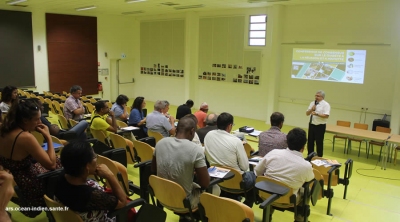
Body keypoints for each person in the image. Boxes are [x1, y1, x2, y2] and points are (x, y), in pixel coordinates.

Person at [0, 100, 61, 217]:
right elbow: (51, 165)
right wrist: (48, 137)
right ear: (25, 120)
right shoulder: (25, 137)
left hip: (12, 179)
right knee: (60, 163)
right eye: (37, 119)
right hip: (30, 184)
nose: (39, 122)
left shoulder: (3, 129)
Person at [55, 141, 127, 221]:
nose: (96, 158)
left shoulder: (61, 177)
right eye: (95, 156)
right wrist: (110, 175)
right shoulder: (90, 195)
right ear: (87, 166)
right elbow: (122, 202)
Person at [151, 116, 210, 214]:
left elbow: (153, 169)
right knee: (214, 189)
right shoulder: (196, 150)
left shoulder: (160, 143)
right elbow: (204, 184)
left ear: (176, 129)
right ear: (192, 131)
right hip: (183, 202)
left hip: (161, 195)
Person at [254, 128, 314, 222]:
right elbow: (310, 179)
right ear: (303, 147)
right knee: (307, 190)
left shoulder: (273, 153)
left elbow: (257, 171)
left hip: (265, 194)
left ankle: (267, 217)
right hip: (288, 200)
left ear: (287, 142)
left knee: (272, 184)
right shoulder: (306, 166)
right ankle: (300, 219)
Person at [204, 112, 255, 207]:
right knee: (252, 175)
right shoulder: (236, 141)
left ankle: (228, 195)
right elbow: (244, 167)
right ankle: (248, 204)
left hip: (217, 176)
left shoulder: (209, 135)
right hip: (235, 180)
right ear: (230, 126)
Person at [306, 90, 330, 157]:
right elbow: (307, 113)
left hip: (320, 126)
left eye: (318, 96)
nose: (316, 97)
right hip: (311, 125)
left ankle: (319, 156)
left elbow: (326, 115)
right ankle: (310, 155)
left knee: (319, 142)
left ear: (322, 97)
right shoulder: (312, 103)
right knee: (310, 141)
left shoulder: (326, 105)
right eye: (315, 95)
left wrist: (317, 114)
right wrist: (311, 110)